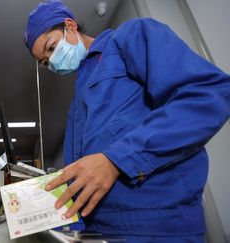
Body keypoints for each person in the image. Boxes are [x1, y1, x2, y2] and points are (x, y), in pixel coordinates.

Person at [24, 0, 230, 242]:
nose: (52, 61)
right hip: (99, 229)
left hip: (156, 227)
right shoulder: (79, 101)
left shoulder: (130, 38)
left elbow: (207, 93)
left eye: (51, 47)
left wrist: (116, 160)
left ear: (70, 26)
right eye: (45, 62)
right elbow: (90, 170)